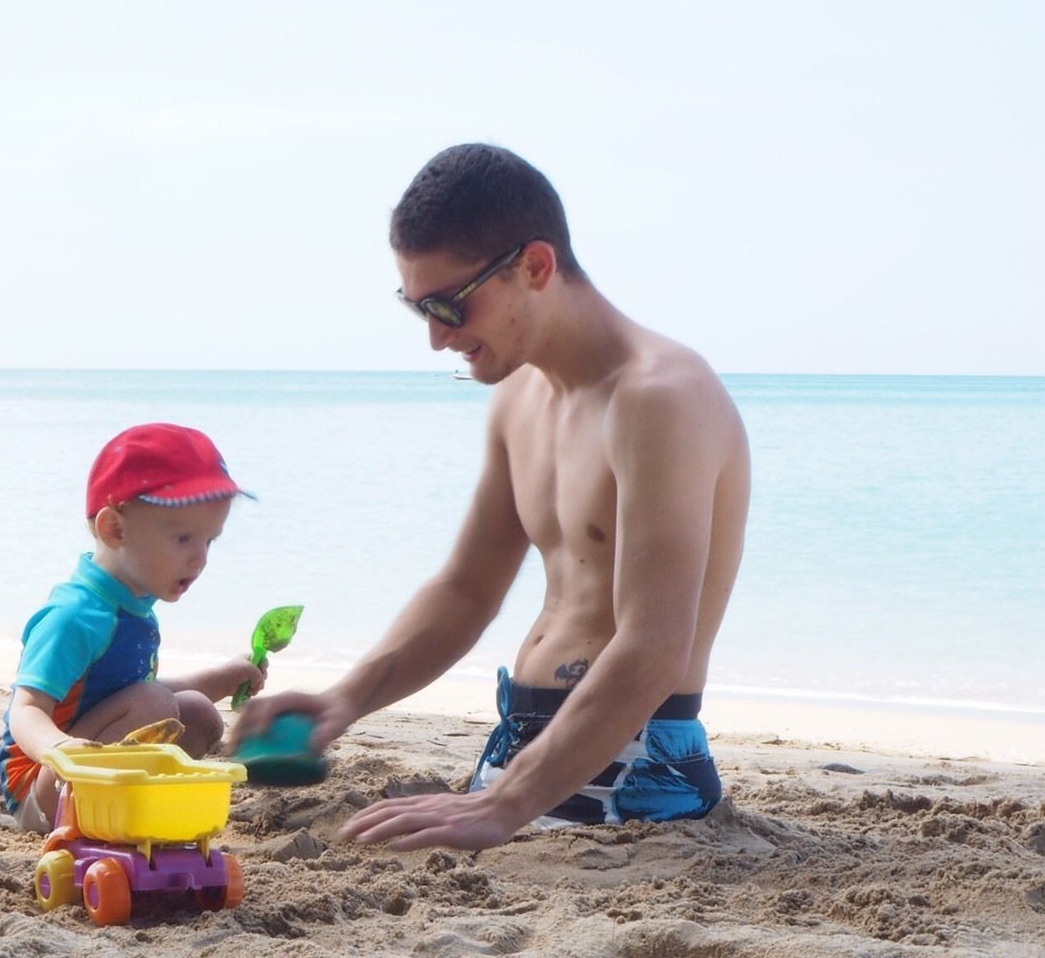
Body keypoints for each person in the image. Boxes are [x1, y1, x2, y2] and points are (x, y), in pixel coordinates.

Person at [234, 143, 751, 851]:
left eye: (450, 304)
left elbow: (657, 645)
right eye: (417, 307)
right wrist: (344, 700)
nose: (437, 338)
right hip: (528, 756)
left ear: (535, 267)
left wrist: (507, 802)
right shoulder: (520, 400)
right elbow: (465, 591)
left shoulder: (660, 399)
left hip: (634, 766)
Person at [0, 422, 266, 833]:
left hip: (94, 770)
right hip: (45, 787)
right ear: (115, 529)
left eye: (209, 541)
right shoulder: (75, 615)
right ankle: (103, 814)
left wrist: (225, 678)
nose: (201, 559)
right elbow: (27, 708)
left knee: (198, 713)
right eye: (183, 539)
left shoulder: (134, 605)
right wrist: (61, 749)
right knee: (155, 705)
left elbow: (132, 694)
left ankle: (143, 803)